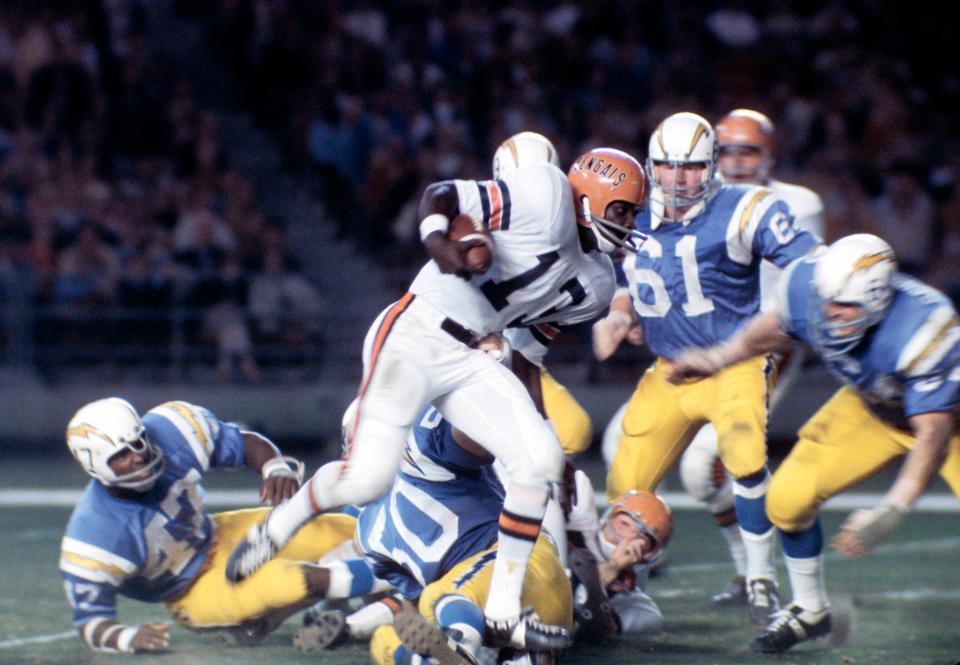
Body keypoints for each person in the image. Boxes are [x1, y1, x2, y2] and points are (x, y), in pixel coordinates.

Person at [224, 141, 648, 651]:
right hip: (417, 330)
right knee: (366, 480)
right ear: (591, 195)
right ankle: (278, 528)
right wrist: (440, 243)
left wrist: (533, 420)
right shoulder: (547, 192)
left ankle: (502, 611)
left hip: (472, 353)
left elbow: (526, 356)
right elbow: (442, 194)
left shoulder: (597, 284)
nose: (628, 222)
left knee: (538, 460)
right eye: (622, 208)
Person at [668, 233, 960, 653]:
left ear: (878, 302)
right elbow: (775, 327)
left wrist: (894, 508)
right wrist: (717, 358)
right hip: (873, 407)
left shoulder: (924, 328)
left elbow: (933, 435)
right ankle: (810, 610)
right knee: (787, 500)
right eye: (826, 301)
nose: (830, 314)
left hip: (948, 421)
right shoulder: (806, 287)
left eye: (845, 307)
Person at [601, 111, 820, 628]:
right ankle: (622, 582)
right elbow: (623, 274)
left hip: (738, 358)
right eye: (668, 168)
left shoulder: (749, 208)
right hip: (671, 367)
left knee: (743, 453)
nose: (678, 180)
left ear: (712, 168)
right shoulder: (632, 211)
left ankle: (761, 573)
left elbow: (809, 266)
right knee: (624, 482)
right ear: (652, 167)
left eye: (691, 168)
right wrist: (619, 313)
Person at [59, 397, 379, 654]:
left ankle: (382, 587)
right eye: (122, 455)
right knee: (288, 581)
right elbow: (91, 622)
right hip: (190, 590)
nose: (139, 456)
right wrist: (127, 639)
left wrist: (274, 467)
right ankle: (395, 580)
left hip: (218, 534)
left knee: (337, 530)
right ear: (95, 464)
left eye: (139, 442)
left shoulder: (170, 431)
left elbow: (245, 443)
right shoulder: (96, 533)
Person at [677, 108, 828, 605]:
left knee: (706, 463)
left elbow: (799, 284)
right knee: (672, 464)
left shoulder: (796, 204)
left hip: (765, 348)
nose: (737, 161)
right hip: (707, 347)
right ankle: (748, 570)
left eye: (749, 150)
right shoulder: (695, 201)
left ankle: (761, 572)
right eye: (726, 150)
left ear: (771, 155)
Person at [565, 469, 672, 639]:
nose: (627, 537)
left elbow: (577, 634)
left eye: (640, 537)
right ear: (607, 520)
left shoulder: (641, 610)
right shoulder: (573, 535)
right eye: (624, 524)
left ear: (649, 554)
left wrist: (610, 572)